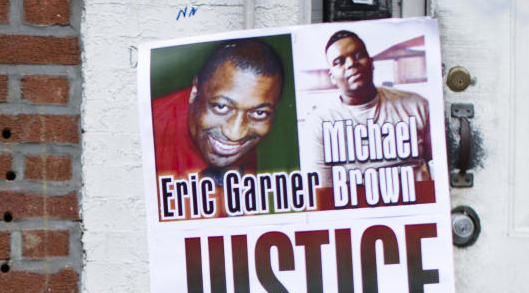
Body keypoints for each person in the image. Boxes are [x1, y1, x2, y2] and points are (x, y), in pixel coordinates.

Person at [307, 30, 433, 188]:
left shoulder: (417, 105)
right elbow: (322, 193)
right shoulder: (319, 123)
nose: (352, 63)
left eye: (359, 55)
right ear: (332, 76)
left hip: (417, 207)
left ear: (371, 62)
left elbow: (443, 167)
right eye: (339, 61)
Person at [152, 38, 284, 187]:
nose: (235, 134)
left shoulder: (233, 138)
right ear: (194, 92)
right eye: (221, 106)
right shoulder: (150, 131)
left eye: (259, 113)